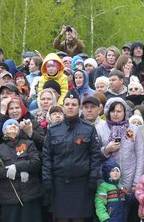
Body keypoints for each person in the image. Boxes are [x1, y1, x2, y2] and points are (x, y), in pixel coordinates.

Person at [42, 91, 102, 222]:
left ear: (79, 107)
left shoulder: (89, 129)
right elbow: (47, 157)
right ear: (63, 106)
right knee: (61, 218)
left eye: (74, 104)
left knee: (78, 219)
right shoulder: (53, 130)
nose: (70, 107)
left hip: (81, 182)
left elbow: (95, 156)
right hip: (60, 182)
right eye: (67, 104)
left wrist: (93, 178)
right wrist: (47, 179)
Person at [0, 119, 42, 222]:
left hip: (30, 196)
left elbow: (36, 163)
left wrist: (17, 166)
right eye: (9, 124)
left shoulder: (28, 144)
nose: (13, 125)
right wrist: (8, 172)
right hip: (10, 198)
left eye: (15, 124)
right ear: (4, 130)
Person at [95, 97, 144, 194]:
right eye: (113, 111)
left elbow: (140, 155)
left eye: (119, 111)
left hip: (129, 178)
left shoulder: (134, 129)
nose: (116, 114)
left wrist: (136, 182)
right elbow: (94, 154)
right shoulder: (100, 129)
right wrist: (106, 150)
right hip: (106, 181)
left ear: (124, 112)